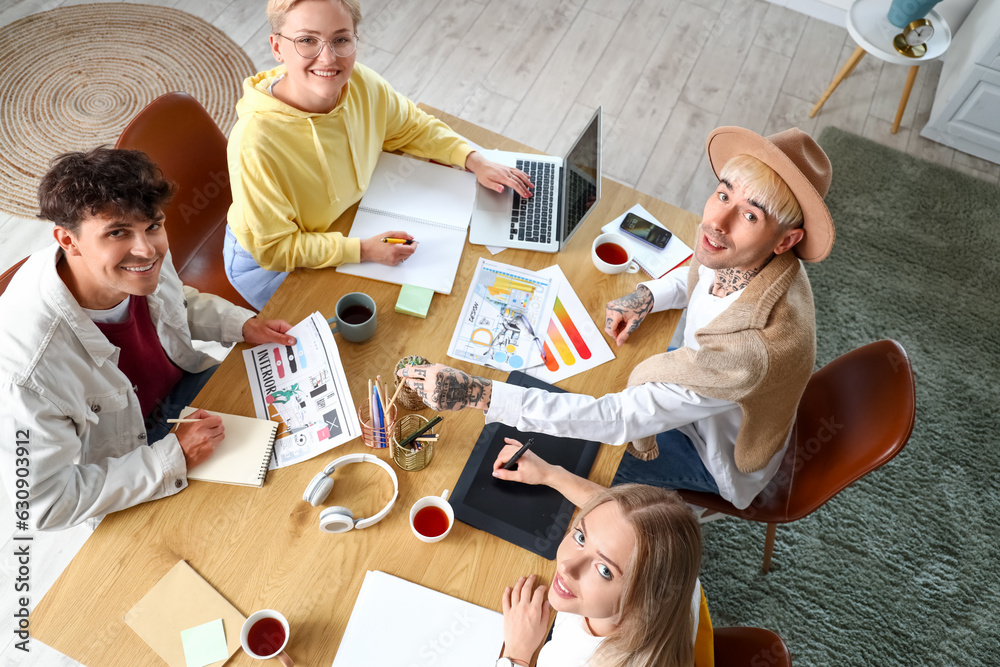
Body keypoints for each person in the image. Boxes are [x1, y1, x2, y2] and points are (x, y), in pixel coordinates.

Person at [398, 126, 835, 513]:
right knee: (567, 401)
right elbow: (701, 275)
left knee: (570, 472)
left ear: (787, 240)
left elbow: (617, 419)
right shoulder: (752, 257)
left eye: (750, 214)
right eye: (723, 194)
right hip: (699, 389)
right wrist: (647, 294)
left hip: (710, 450)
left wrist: (478, 393)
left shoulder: (745, 355)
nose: (716, 222)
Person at [0, 148, 294, 531]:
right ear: (67, 241)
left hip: (190, 394)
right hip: (130, 463)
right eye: (117, 232)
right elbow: (44, 503)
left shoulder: (144, 253)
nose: (146, 249)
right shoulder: (27, 369)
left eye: (153, 225)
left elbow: (177, 302)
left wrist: (240, 324)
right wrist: (172, 457)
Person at [225, 0, 532, 309]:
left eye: (341, 39)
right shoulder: (254, 143)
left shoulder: (361, 83)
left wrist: (473, 159)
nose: (328, 58)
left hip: (347, 222)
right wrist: (363, 251)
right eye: (307, 40)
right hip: (274, 266)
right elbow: (276, 249)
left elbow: (412, 127)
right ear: (277, 47)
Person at [493, 440, 713, 667]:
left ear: (643, 598)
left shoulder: (566, 660)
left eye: (605, 570)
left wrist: (516, 654)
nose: (568, 566)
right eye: (580, 537)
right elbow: (621, 521)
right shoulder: (674, 564)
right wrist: (549, 474)